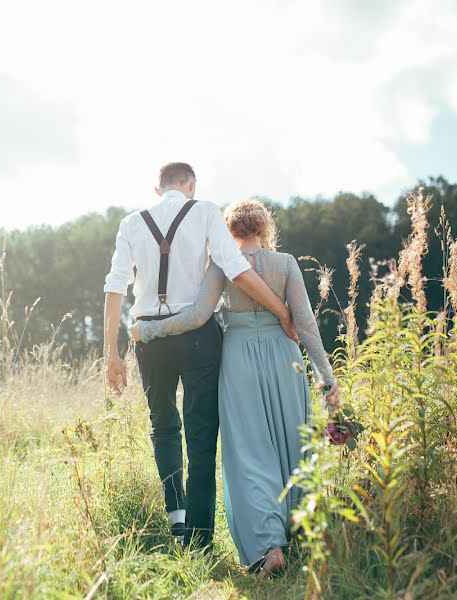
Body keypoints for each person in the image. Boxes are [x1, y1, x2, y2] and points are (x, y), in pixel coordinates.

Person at [130, 198, 341, 576]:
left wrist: (148, 329)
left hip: (239, 360)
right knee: (291, 446)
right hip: (284, 359)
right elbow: (306, 324)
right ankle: (297, 535)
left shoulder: (223, 264)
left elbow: (197, 316)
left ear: (229, 231)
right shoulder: (286, 264)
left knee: (249, 453)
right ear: (265, 228)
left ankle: (268, 545)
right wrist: (327, 378)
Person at [103, 163, 299, 550]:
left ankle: (175, 516)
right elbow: (237, 269)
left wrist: (111, 353)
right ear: (191, 185)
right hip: (197, 336)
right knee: (201, 434)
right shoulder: (206, 211)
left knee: (162, 424)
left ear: (157, 189)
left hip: (149, 338)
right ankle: (201, 535)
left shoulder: (131, 223)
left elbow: (114, 287)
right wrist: (281, 309)